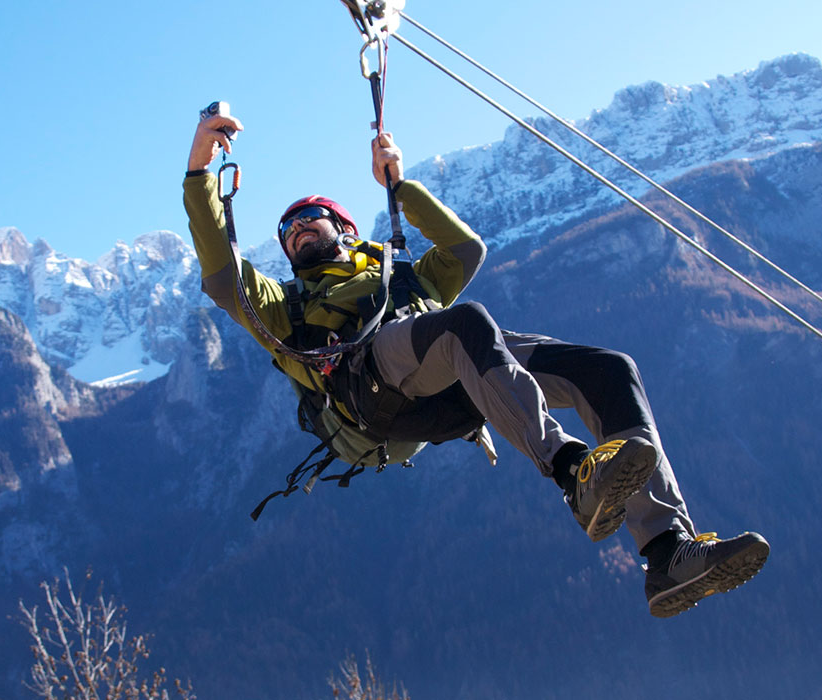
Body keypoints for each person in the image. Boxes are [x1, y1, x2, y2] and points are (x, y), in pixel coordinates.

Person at [181, 106, 769, 617]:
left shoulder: (399, 272)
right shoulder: (286, 308)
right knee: (465, 325)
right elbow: (221, 275)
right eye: (288, 229)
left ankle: (668, 552)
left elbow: (466, 248)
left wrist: (401, 188)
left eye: (313, 218)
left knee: (611, 370)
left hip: (457, 377)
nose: (300, 228)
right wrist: (200, 170)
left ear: (347, 229)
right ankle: (572, 472)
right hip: (372, 390)